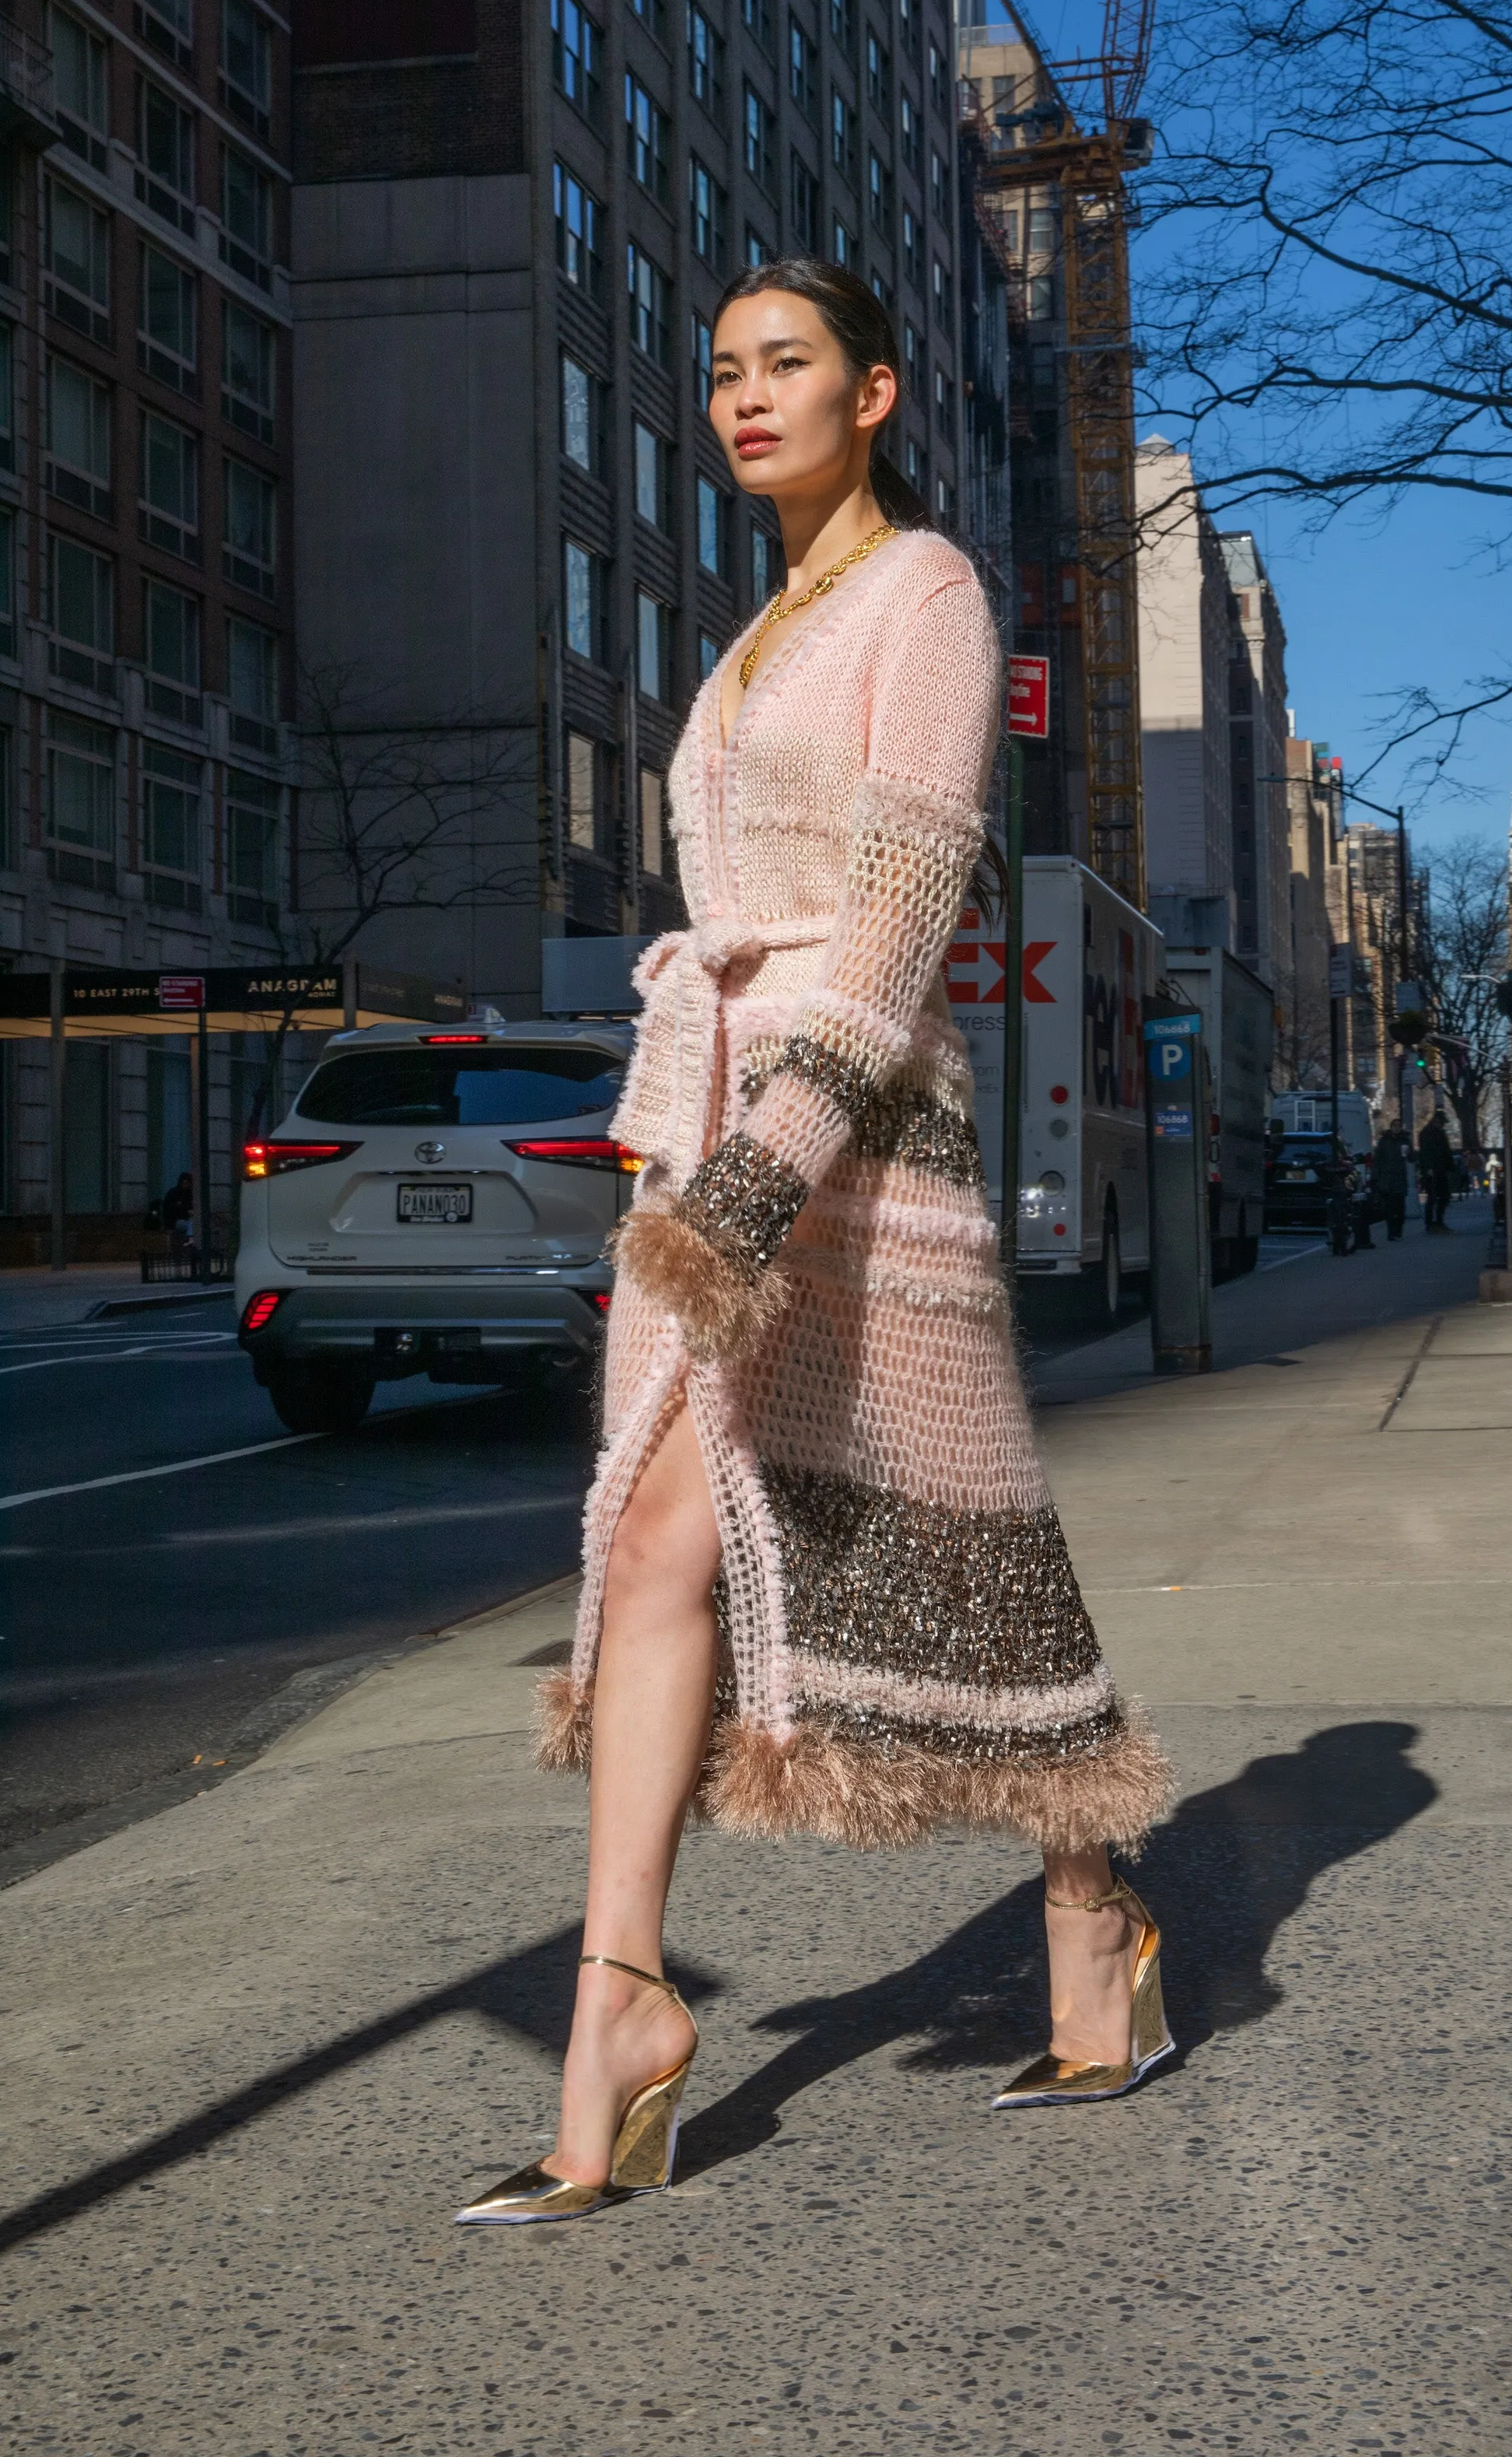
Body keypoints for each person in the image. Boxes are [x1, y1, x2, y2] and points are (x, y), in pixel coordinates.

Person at [458, 262, 1175, 2227]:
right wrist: (689, 1171)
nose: (742, 396)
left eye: (785, 365)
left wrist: (761, 1179)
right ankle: (620, 2001)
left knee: (960, 1539)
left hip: (847, 1135)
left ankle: (1091, 1913)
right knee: (645, 1538)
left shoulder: (925, 590)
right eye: (719, 373)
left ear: (872, 391)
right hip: (702, 1116)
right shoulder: (748, 636)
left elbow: (898, 905)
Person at [1370, 1122, 1409, 1240]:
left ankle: (1398, 1231)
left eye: (1399, 1126)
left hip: (1399, 1178)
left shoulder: (1405, 1140)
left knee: (1400, 1208)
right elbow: (1377, 1160)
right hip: (1388, 1179)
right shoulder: (1384, 1141)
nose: (1397, 1128)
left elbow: (1412, 1158)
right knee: (1390, 1208)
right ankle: (1392, 1233)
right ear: (1391, 1128)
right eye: (1395, 1126)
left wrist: (1408, 1153)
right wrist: (1376, 1178)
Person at [1416, 1112, 1456, 1232]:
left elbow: (1446, 1151)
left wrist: (1450, 1166)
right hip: (1433, 1170)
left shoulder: (1440, 1133)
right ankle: (1431, 1223)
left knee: (1443, 1196)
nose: (1442, 1125)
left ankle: (1438, 1221)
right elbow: (1425, 1153)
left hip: (1441, 1168)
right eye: (1441, 1123)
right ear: (1436, 1121)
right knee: (1432, 1197)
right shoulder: (1426, 1133)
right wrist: (1428, 1168)